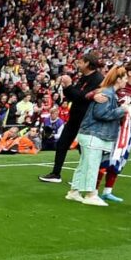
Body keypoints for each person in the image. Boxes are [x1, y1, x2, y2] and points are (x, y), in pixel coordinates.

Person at [65, 66, 129, 207]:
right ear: (118, 79)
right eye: (124, 78)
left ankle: (74, 192)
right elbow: (100, 114)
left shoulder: (106, 92)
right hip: (94, 133)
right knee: (92, 165)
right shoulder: (108, 94)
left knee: (84, 165)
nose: (126, 81)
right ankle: (90, 194)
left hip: (91, 133)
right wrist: (121, 110)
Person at [40, 52, 104, 183]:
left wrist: (69, 86)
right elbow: (72, 96)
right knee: (62, 144)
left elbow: (83, 97)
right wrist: (66, 87)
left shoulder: (97, 78)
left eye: (81, 62)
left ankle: (85, 176)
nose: (78, 64)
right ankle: (56, 173)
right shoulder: (83, 77)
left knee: (84, 149)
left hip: (86, 119)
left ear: (87, 63)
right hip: (75, 117)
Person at [95, 60, 131, 203]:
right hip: (111, 131)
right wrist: (94, 96)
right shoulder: (116, 88)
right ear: (130, 73)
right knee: (105, 160)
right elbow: (97, 93)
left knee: (119, 160)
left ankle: (107, 192)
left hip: (127, 133)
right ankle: (93, 191)